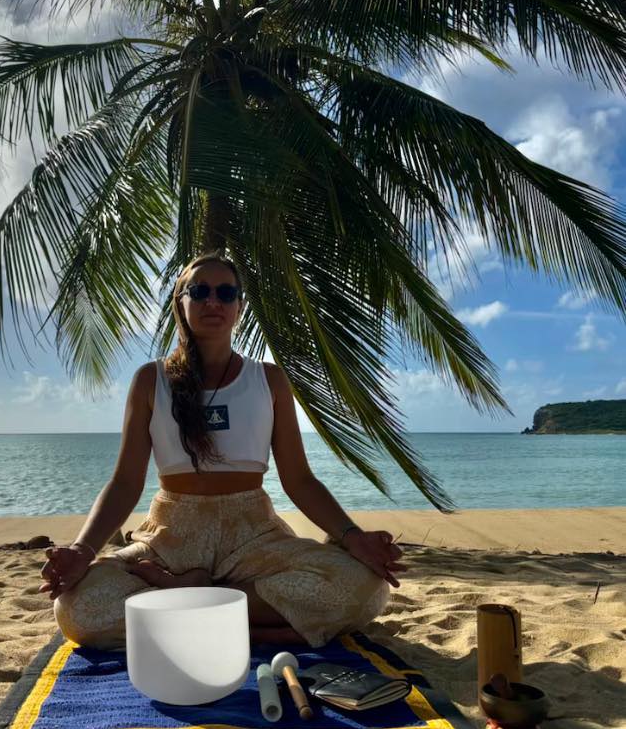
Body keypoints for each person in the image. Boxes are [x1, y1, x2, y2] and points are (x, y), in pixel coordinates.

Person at [38, 251, 405, 649]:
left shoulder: (269, 380)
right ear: (181, 303)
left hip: (253, 535)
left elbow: (299, 480)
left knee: (366, 588)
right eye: (200, 291)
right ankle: (250, 623)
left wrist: (352, 537)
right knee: (78, 609)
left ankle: (189, 597)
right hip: (170, 537)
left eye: (226, 292)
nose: (214, 301)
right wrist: (81, 550)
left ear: (239, 307)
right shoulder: (151, 380)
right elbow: (125, 483)